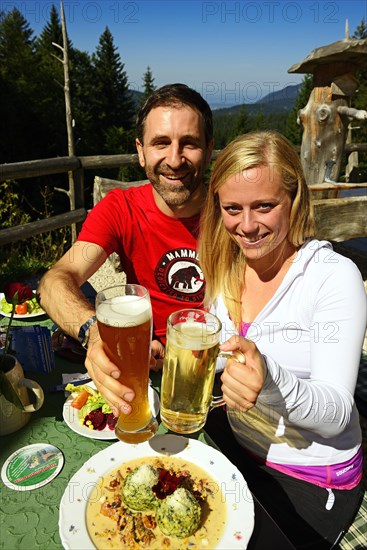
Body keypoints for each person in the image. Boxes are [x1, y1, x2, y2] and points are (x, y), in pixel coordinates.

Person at [198, 130, 366, 549]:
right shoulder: (227, 267)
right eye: (232, 209)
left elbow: (338, 412)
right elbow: (224, 357)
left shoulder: (331, 277)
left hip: (310, 478)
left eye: (264, 206)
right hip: (242, 448)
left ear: (294, 200)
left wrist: (270, 382)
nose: (247, 226)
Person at [37, 83, 214, 416]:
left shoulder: (234, 213)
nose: (174, 160)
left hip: (211, 377)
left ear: (209, 148)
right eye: (161, 143)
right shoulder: (120, 208)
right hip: (138, 372)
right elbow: (54, 282)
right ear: (141, 151)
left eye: (189, 143)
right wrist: (93, 333)